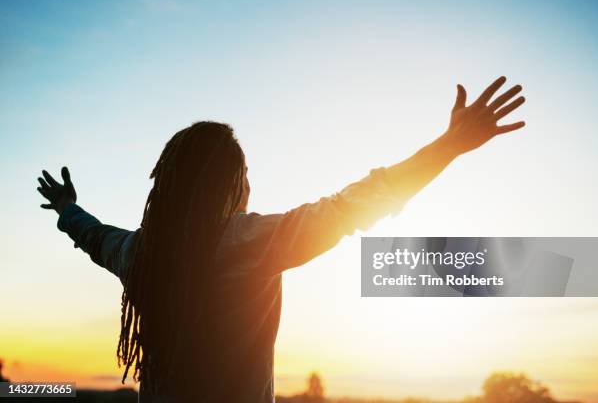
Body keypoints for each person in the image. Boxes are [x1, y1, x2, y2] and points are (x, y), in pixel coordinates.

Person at [37, 77, 525, 402]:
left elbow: (93, 235)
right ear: (230, 185)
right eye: (242, 174)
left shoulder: (141, 252)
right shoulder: (248, 242)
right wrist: (449, 147)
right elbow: (355, 204)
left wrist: (66, 208)